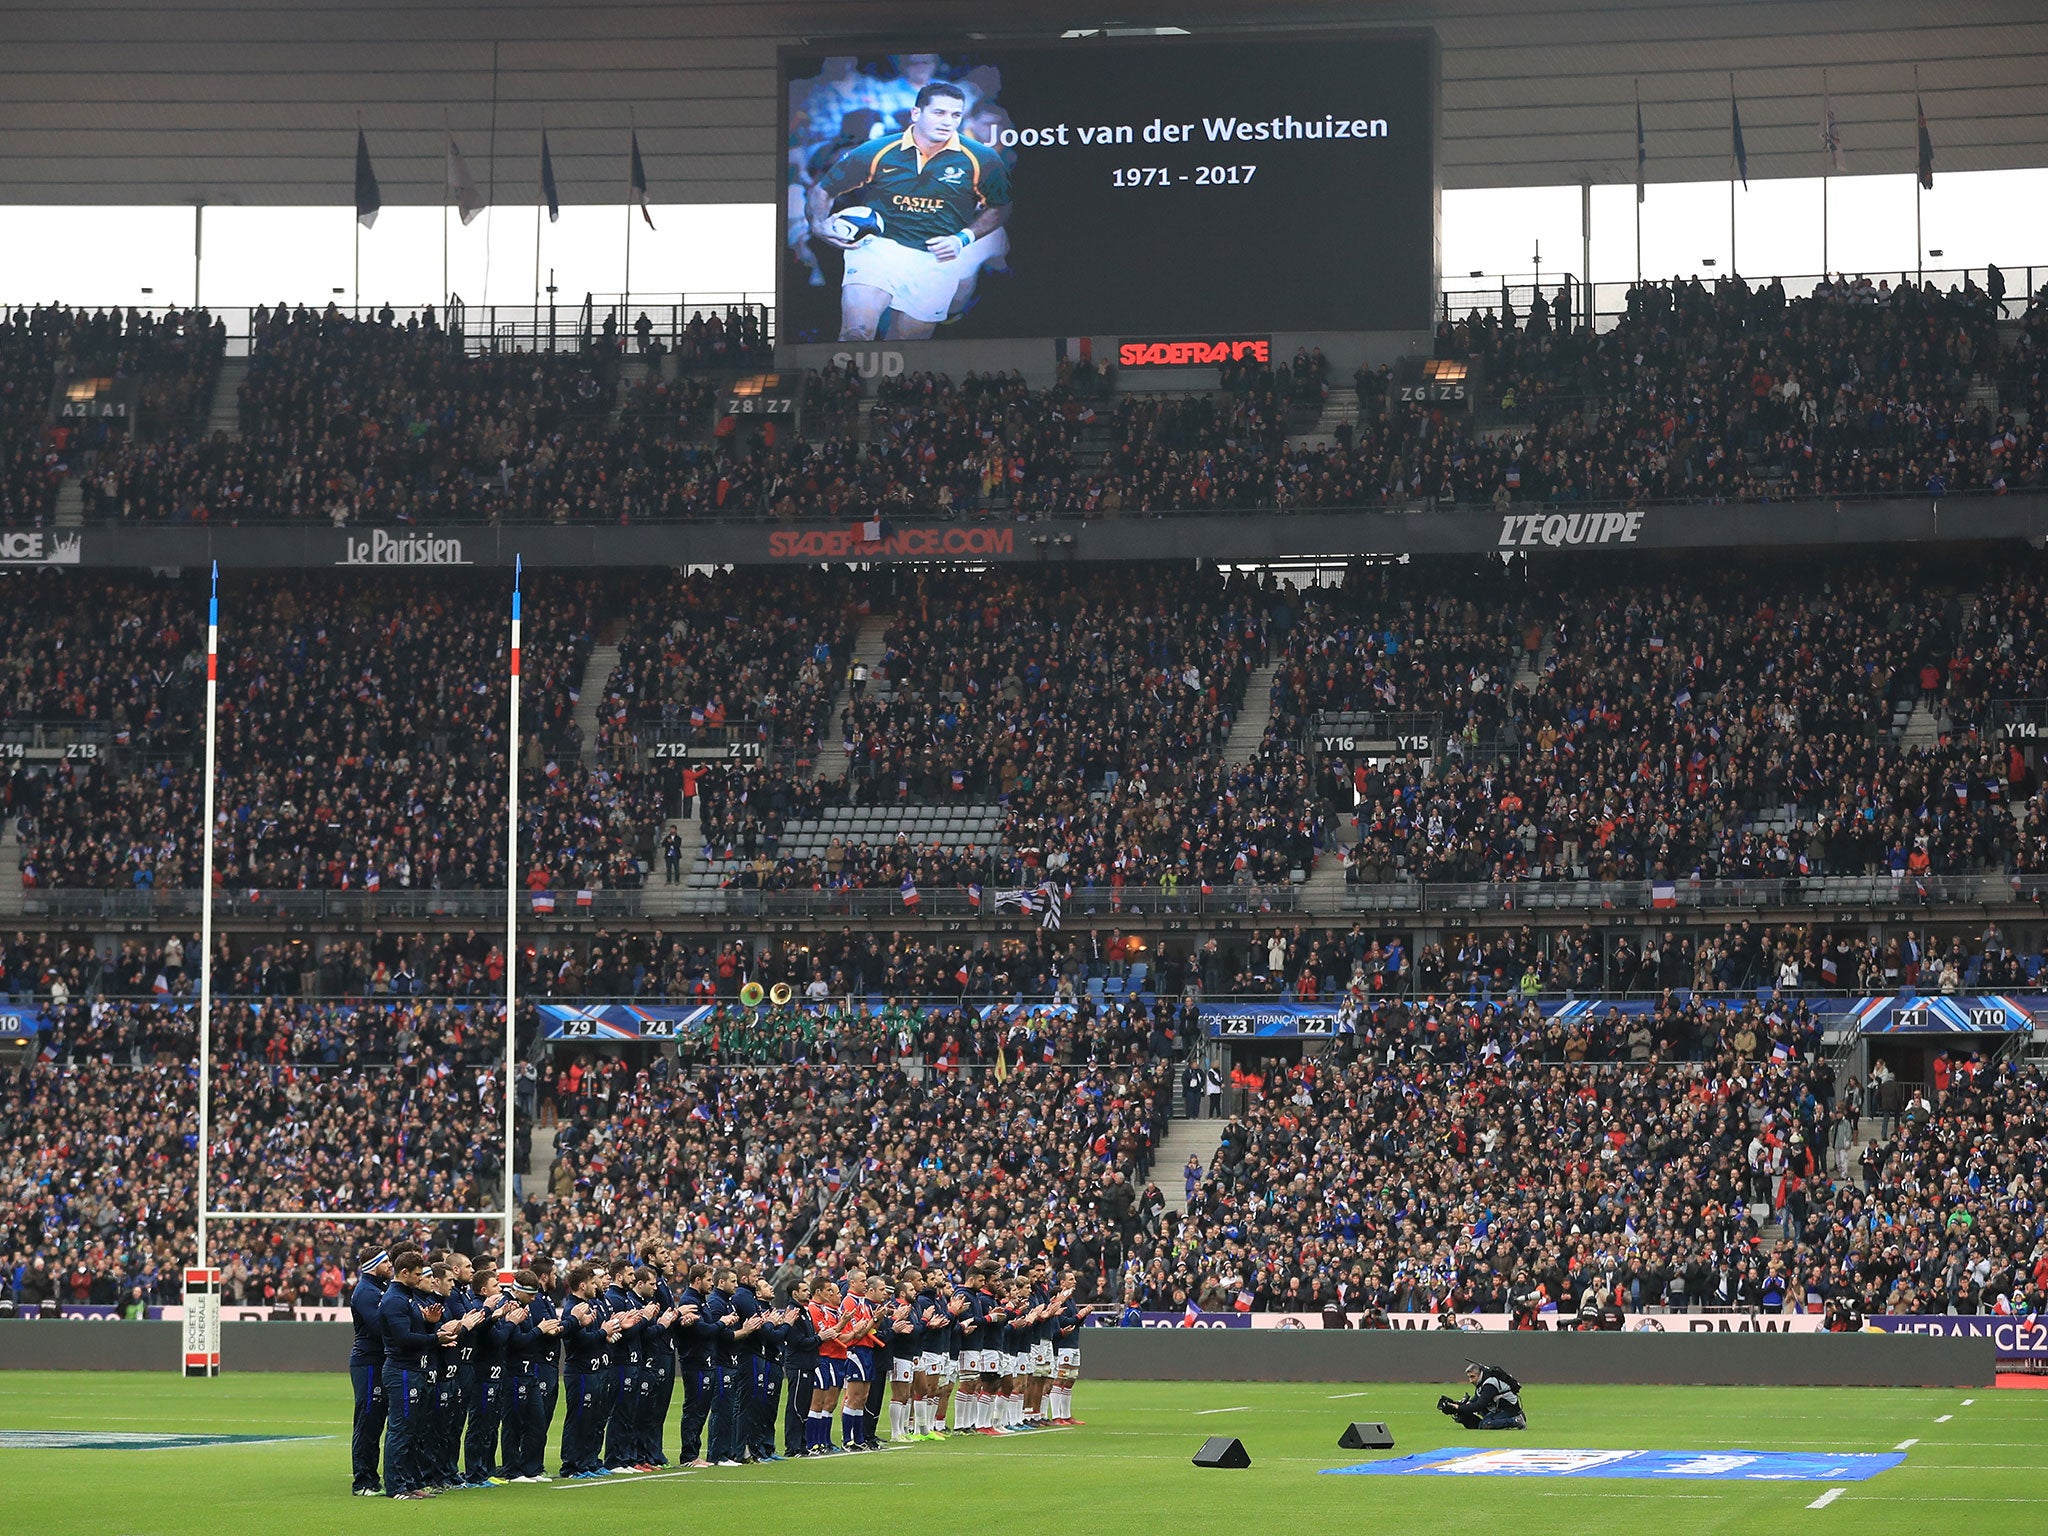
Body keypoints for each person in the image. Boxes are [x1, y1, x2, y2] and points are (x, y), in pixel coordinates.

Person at [807, 80, 1012, 341]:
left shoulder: (982, 159)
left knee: (906, 348)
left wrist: (963, 239)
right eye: (939, 112)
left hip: (937, 260)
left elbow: (1000, 205)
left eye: (955, 115)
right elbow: (823, 190)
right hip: (877, 249)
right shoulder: (877, 151)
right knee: (856, 333)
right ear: (916, 113)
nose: (948, 121)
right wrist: (818, 224)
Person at [380, 1251, 455, 1499]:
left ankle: (410, 1483)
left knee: (413, 1431)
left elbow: (415, 1332)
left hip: (414, 1370)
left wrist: (431, 1324)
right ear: (404, 1274)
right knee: (400, 1430)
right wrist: (436, 1337)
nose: (421, 1278)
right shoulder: (394, 1300)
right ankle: (396, 1487)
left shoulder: (408, 1298)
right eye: (417, 1274)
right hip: (401, 1370)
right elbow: (403, 1339)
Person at [501, 1268, 562, 1482]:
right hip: (514, 1371)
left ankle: (531, 1467)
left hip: (530, 1372)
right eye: (530, 1294)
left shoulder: (523, 1306)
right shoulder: (508, 1306)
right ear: (518, 1290)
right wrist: (539, 1330)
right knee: (514, 1423)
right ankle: (512, 1469)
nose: (534, 1298)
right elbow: (516, 1341)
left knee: (537, 1421)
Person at [347, 1249, 393, 1496]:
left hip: (380, 1361)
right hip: (368, 1362)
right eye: (385, 1261)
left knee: (376, 1421)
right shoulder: (366, 1291)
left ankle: (372, 1478)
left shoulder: (380, 1288)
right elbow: (379, 1327)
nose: (390, 1264)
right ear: (374, 1265)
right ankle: (363, 1481)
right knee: (367, 1422)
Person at [1437, 1359, 1526, 1430]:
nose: (1470, 1381)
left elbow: (1479, 1405)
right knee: (1464, 1415)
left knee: (1485, 1424)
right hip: (1497, 1408)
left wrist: (1458, 1408)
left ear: (1479, 1374)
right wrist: (1454, 1405)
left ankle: (1516, 1420)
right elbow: (1473, 1402)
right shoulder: (1481, 1384)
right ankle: (1502, 1421)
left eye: (1472, 1377)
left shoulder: (1489, 1384)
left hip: (1509, 1409)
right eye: (1469, 1377)